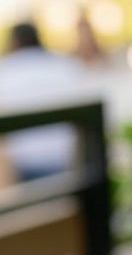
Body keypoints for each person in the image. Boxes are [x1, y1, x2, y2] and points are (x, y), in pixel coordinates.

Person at [0, 22, 89, 181]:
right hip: (68, 163)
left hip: (20, 169)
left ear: (14, 42)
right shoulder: (65, 66)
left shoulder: (5, 70)